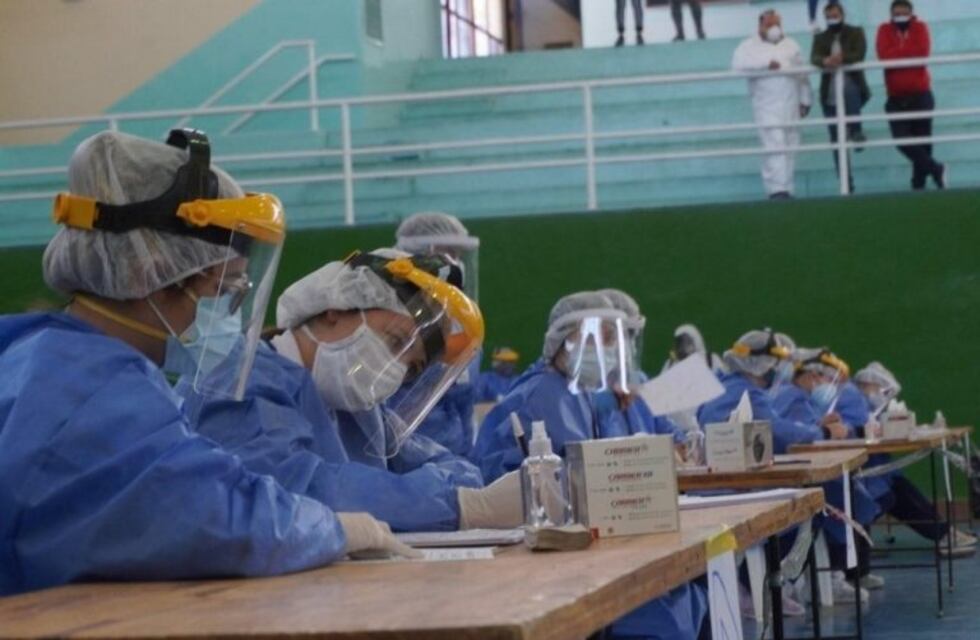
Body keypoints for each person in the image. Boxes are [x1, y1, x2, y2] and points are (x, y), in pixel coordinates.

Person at [0, 130, 415, 596]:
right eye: (225, 289)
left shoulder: (40, 354)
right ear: (149, 272)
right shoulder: (96, 394)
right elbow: (219, 516)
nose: (232, 312)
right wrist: (336, 530)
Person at [180, 248, 522, 533]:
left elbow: (443, 463)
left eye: (412, 367)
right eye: (396, 341)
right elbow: (302, 492)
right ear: (335, 309)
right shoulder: (241, 384)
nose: (396, 367)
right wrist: (457, 504)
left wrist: (466, 493)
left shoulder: (356, 409)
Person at [472, 291, 706, 640]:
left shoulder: (580, 394)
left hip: (582, 544)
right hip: (545, 555)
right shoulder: (542, 395)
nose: (612, 350)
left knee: (683, 588)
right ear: (565, 342)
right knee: (658, 601)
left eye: (616, 340)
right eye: (603, 338)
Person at [768, 347, 880, 599]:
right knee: (842, 496)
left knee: (847, 492)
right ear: (805, 375)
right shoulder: (793, 396)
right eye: (817, 376)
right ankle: (833, 574)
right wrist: (825, 431)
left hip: (797, 473)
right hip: (794, 477)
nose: (821, 382)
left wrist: (820, 425)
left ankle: (839, 571)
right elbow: (794, 435)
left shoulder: (797, 397)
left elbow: (802, 428)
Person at [854, 362, 977, 558]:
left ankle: (944, 532)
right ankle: (943, 534)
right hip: (863, 475)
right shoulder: (853, 404)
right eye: (879, 389)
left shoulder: (865, 407)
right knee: (895, 493)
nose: (882, 395)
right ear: (867, 384)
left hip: (877, 471)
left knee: (901, 485)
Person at [395, 212, 481, 456]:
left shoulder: (463, 333)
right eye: (447, 255)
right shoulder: (394, 325)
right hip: (406, 469)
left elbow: (464, 412)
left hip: (452, 465)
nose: (455, 265)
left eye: (458, 257)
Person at [733, 9, 813, 200]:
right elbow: (737, 65)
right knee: (774, 145)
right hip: (766, 106)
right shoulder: (748, 46)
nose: (774, 28)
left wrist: (806, 99)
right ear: (760, 26)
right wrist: (765, 64)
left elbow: (802, 75)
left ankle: (787, 189)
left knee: (791, 146)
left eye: (777, 24)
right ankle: (777, 190)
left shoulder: (791, 45)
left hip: (791, 104)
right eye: (769, 25)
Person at [877, 0, 946, 191]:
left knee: (923, 142)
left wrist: (898, 54)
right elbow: (884, 56)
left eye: (903, 13)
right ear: (891, 15)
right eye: (896, 13)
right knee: (902, 140)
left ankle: (919, 186)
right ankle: (935, 168)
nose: (900, 17)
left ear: (911, 13)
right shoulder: (884, 30)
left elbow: (922, 52)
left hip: (921, 94)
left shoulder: (920, 27)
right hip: (895, 98)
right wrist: (907, 55)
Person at [811, 2, 870, 192]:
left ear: (842, 14)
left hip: (853, 89)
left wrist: (841, 58)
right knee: (836, 140)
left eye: (835, 15)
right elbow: (814, 57)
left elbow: (859, 54)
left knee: (847, 86)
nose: (832, 19)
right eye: (828, 17)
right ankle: (846, 183)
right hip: (829, 96)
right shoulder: (820, 37)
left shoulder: (855, 32)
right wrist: (826, 61)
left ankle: (856, 130)